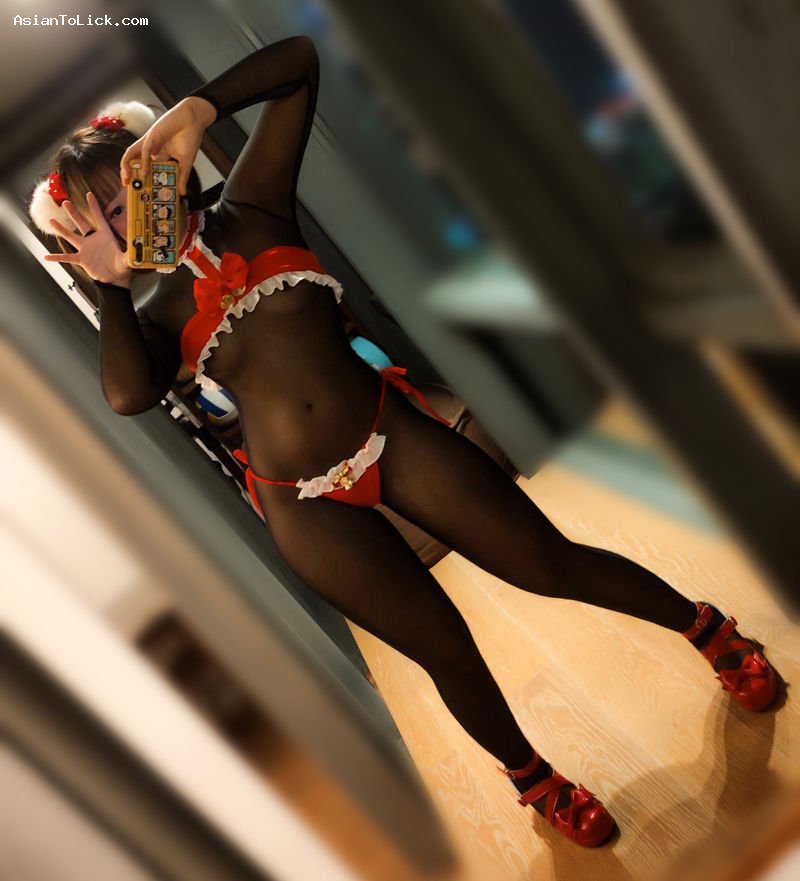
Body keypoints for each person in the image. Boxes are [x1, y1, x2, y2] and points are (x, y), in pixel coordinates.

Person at [29, 36, 781, 849]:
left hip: (387, 430)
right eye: (105, 218)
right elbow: (128, 394)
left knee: (547, 562)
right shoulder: (152, 316)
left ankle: (708, 629)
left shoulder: (256, 202)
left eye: (130, 190)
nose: (129, 217)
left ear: (163, 168)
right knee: (446, 650)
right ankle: (535, 781)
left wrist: (197, 110)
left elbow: (298, 63)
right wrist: (112, 289)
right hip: (302, 504)